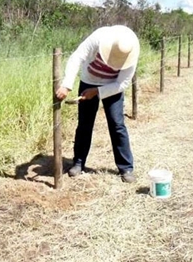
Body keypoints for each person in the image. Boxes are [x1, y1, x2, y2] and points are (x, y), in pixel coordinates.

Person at [55, 25, 140, 183]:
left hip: (113, 86)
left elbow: (123, 83)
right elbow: (77, 57)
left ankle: (126, 168)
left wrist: (98, 92)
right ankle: (79, 162)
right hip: (89, 80)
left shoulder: (131, 52)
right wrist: (67, 84)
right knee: (85, 124)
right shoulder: (98, 38)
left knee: (117, 124)